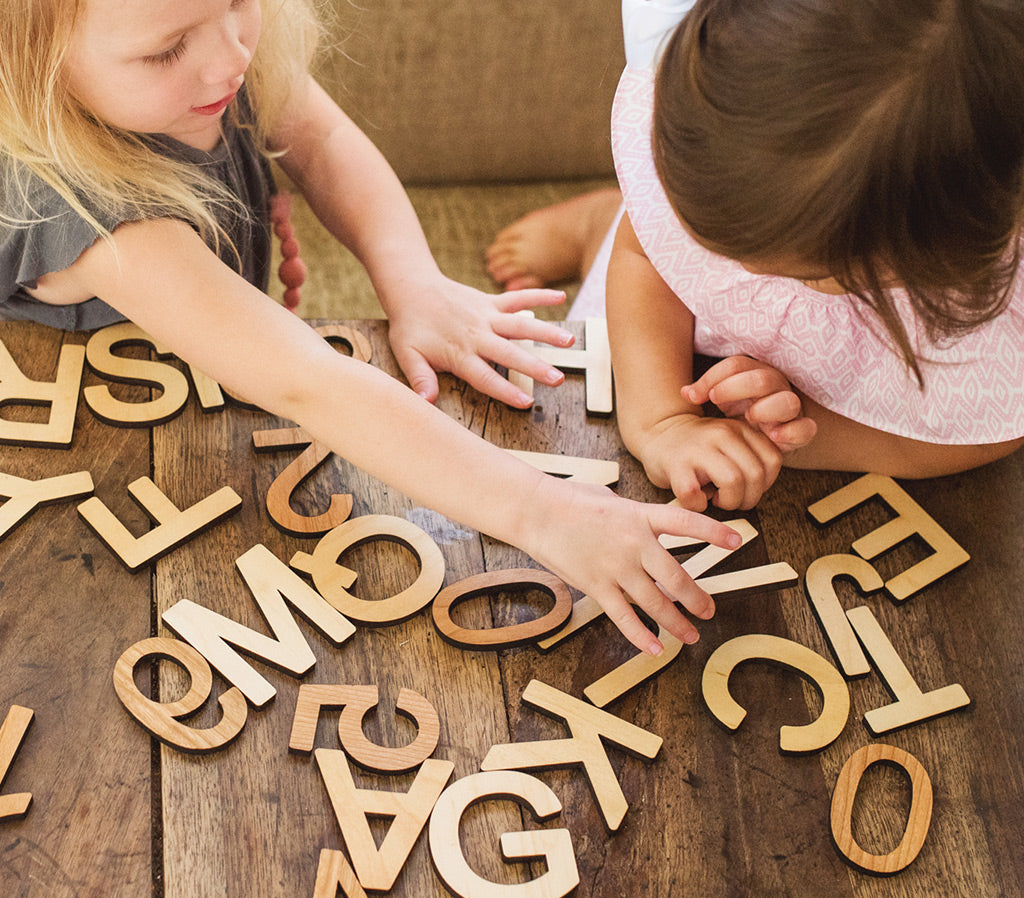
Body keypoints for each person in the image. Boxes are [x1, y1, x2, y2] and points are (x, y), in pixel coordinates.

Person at [0, 0, 744, 656]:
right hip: (97, 462)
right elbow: (309, 381)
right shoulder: (96, 219)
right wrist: (546, 514)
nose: (232, 54)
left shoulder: (214, 55)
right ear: (30, 69)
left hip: (210, 398)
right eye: (166, 50)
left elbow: (322, 143)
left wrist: (413, 283)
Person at [487, 0, 1024, 512]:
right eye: (719, 240)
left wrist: (794, 435)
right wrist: (662, 421)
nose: (747, 272)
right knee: (635, 257)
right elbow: (648, 259)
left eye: (808, 272)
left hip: (800, 400)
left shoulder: (979, 315)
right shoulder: (724, 153)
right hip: (658, 328)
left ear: (932, 254)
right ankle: (603, 223)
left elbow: (972, 437)